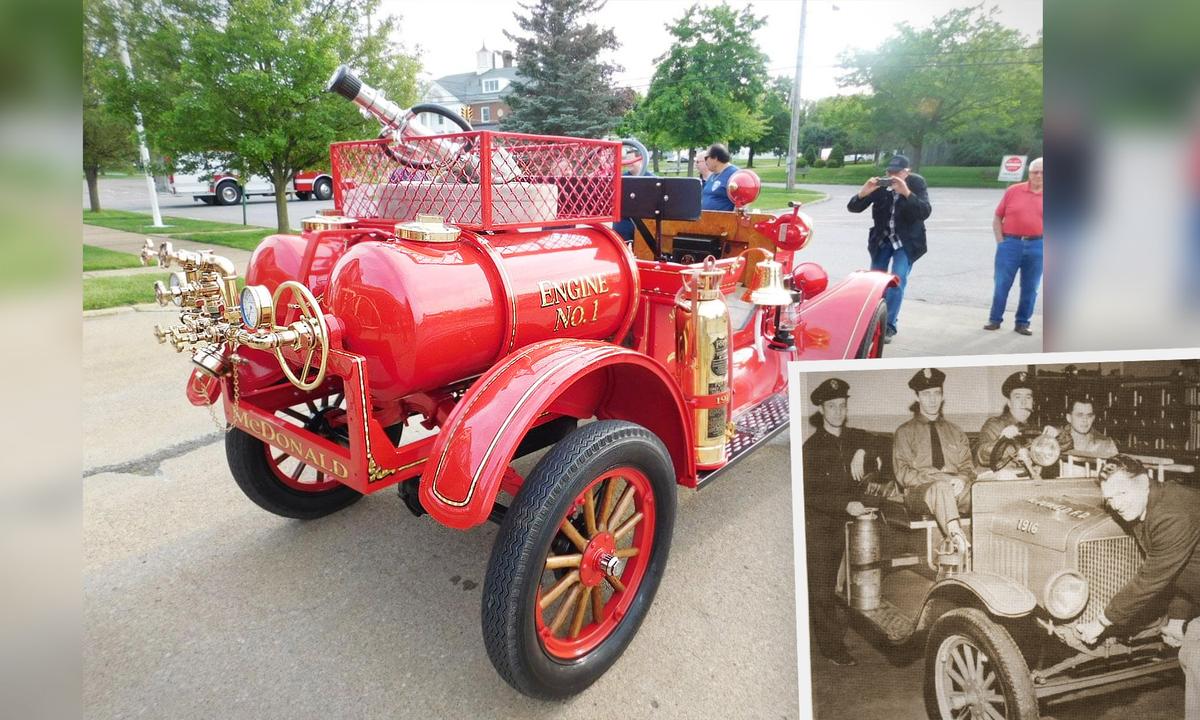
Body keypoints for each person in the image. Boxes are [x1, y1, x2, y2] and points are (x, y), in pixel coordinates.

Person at [1076, 455, 1200, 719]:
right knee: (1191, 654)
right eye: (1110, 499)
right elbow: (1184, 570)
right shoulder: (1142, 507)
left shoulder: (1172, 513)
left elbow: (1152, 577)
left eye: (1121, 493)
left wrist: (1101, 621)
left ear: (1144, 481)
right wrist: (1178, 617)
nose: (1116, 504)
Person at [801, 378, 888, 666]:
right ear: (822, 410)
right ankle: (831, 647)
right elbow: (810, 494)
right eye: (832, 406)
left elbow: (882, 445)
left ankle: (860, 626)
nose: (838, 411)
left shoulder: (856, 437)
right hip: (822, 524)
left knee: (862, 581)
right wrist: (844, 504)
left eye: (842, 405)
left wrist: (865, 451)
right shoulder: (812, 447)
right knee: (822, 588)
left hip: (855, 523)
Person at [847, 154, 932, 344]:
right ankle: (873, 319)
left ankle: (889, 325)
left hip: (906, 241)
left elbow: (924, 211)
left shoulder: (916, 183)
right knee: (875, 282)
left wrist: (906, 193)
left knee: (897, 279)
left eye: (897, 172)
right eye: (889, 172)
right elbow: (853, 208)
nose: (892, 176)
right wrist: (864, 192)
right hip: (882, 239)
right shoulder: (881, 186)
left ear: (906, 172)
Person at [893, 368, 974, 552]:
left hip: (956, 490)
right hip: (920, 493)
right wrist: (941, 479)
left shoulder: (956, 431)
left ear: (942, 396)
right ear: (917, 397)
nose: (932, 399)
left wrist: (962, 479)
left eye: (937, 393)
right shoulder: (905, 432)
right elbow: (903, 474)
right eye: (926, 394)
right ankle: (958, 542)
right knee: (941, 488)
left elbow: (968, 466)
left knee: (983, 491)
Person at [985, 157, 1044, 336]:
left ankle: (1022, 323)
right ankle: (995, 320)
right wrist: (1000, 241)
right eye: (1035, 172)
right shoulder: (1013, 191)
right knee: (1002, 284)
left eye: (1043, 172)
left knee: (1030, 286)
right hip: (1010, 243)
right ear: (1029, 173)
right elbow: (997, 217)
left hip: (1038, 245)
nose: (1039, 175)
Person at [696, 143, 738, 211]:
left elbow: (741, 204)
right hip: (705, 220)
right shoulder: (713, 175)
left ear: (715, 158)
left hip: (722, 220)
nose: (705, 161)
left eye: (706, 158)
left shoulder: (735, 175)